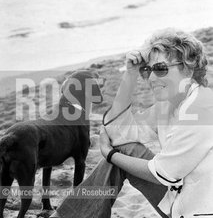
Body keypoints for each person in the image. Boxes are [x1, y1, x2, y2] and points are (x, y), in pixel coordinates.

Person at [51, 28, 213, 218]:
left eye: (160, 69)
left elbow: (162, 174)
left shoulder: (201, 110)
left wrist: (110, 154)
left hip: (199, 211)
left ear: (189, 68)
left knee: (120, 156)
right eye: (147, 70)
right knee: (126, 151)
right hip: (180, 199)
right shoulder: (170, 105)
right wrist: (130, 73)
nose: (152, 78)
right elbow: (117, 131)